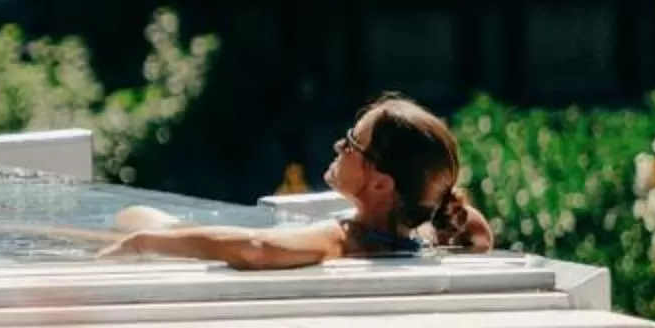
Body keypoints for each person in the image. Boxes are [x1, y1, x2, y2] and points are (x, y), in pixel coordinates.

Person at [102, 96, 494, 268]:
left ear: (381, 185)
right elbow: (475, 230)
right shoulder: (417, 233)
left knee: (141, 221)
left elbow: (256, 248)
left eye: (354, 144)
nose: (340, 144)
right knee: (138, 215)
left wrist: (147, 242)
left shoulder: (341, 239)